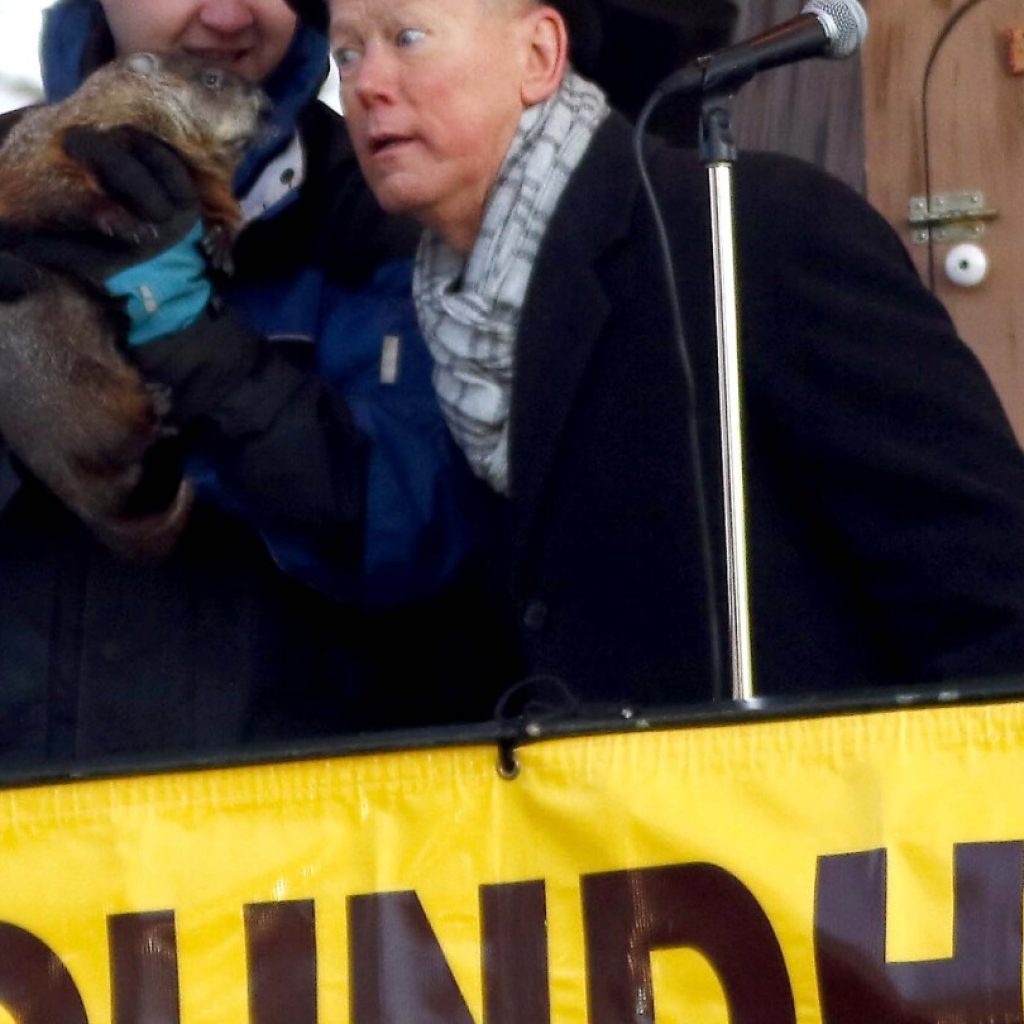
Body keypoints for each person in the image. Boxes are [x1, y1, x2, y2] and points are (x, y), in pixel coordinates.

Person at [287, 0, 1024, 709]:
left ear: (538, 54)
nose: (367, 84)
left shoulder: (751, 232)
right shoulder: (436, 315)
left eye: (408, 37)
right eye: (346, 54)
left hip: (813, 822)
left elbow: (987, 588)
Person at [0, 0, 514, 765]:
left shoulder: (393, 209)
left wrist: (192, 341)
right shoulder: (9, 180)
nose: (231, 13)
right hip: (36, 846)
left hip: (287, 842)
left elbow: (416, 527)